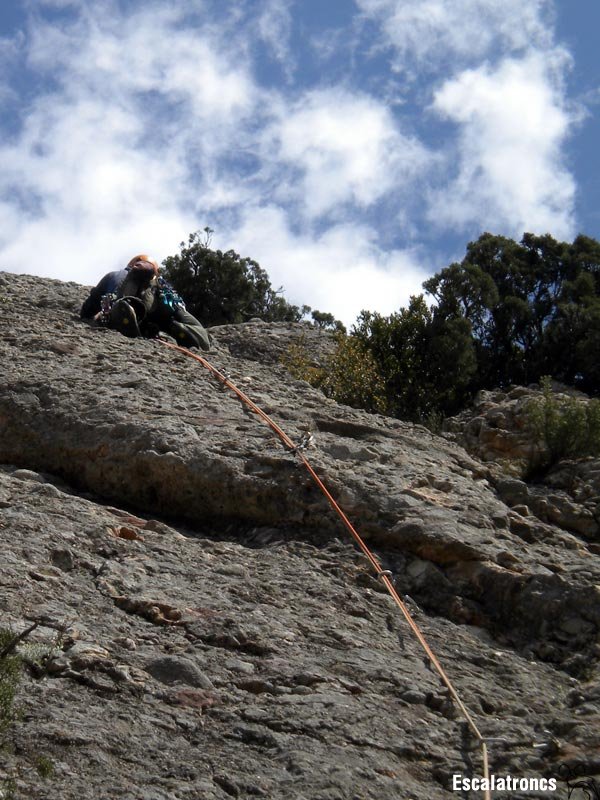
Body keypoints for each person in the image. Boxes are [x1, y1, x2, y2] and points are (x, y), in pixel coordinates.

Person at [80, 254, 211, 350]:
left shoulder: (117, 275)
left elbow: (88, 308)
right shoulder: (164, 286)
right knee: (202, 337)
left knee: (123, 305)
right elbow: (179, 308)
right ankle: (177, 329)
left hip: (130, 308)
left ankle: (126, 314)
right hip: (160, 314)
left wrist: (93, 316)